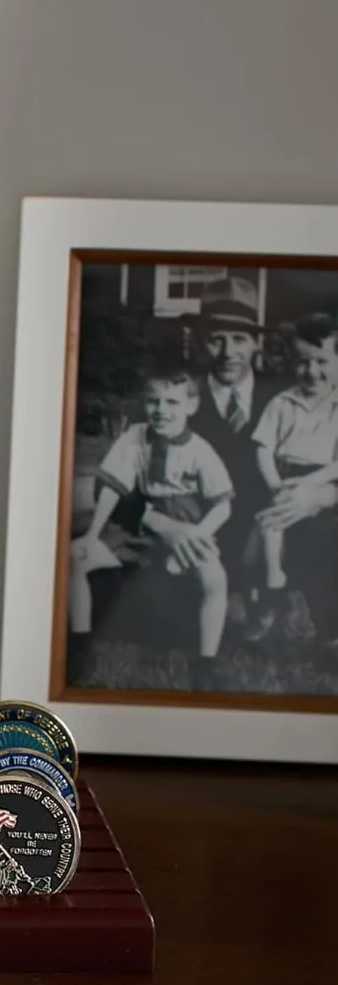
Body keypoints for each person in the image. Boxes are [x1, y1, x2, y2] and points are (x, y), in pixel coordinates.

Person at [69, 365, 234, 691]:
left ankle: (206, 662)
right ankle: (79, 644)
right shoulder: (134, 437)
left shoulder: (200, 450)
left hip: (185, 526)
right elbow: (112, 489)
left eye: (172, 402)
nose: (160, 411)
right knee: (76, 556)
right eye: (153, 401)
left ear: (191, 405)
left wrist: (198, 535)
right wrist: (92, 534)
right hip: (135, 525)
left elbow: (223, 504)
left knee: (216, 580)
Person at [246, 312, 338, 643]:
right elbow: (263, 449)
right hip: (282, 476)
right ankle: (273, 585)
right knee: (271, 519)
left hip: (323, 480)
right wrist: (275, 484)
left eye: (322, 361)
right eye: (302, 362)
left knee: (320, 542)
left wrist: (314, 485)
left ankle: (328, 629)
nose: (311, 371)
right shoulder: (282, 403)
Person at [188, 276, 280, 603]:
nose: (229, 353)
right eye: (217, 340)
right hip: (202, 526)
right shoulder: (181, 399)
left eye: (239, 339)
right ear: (200, 343)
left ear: (257, 343)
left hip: (268, 530)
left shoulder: (282, 398)